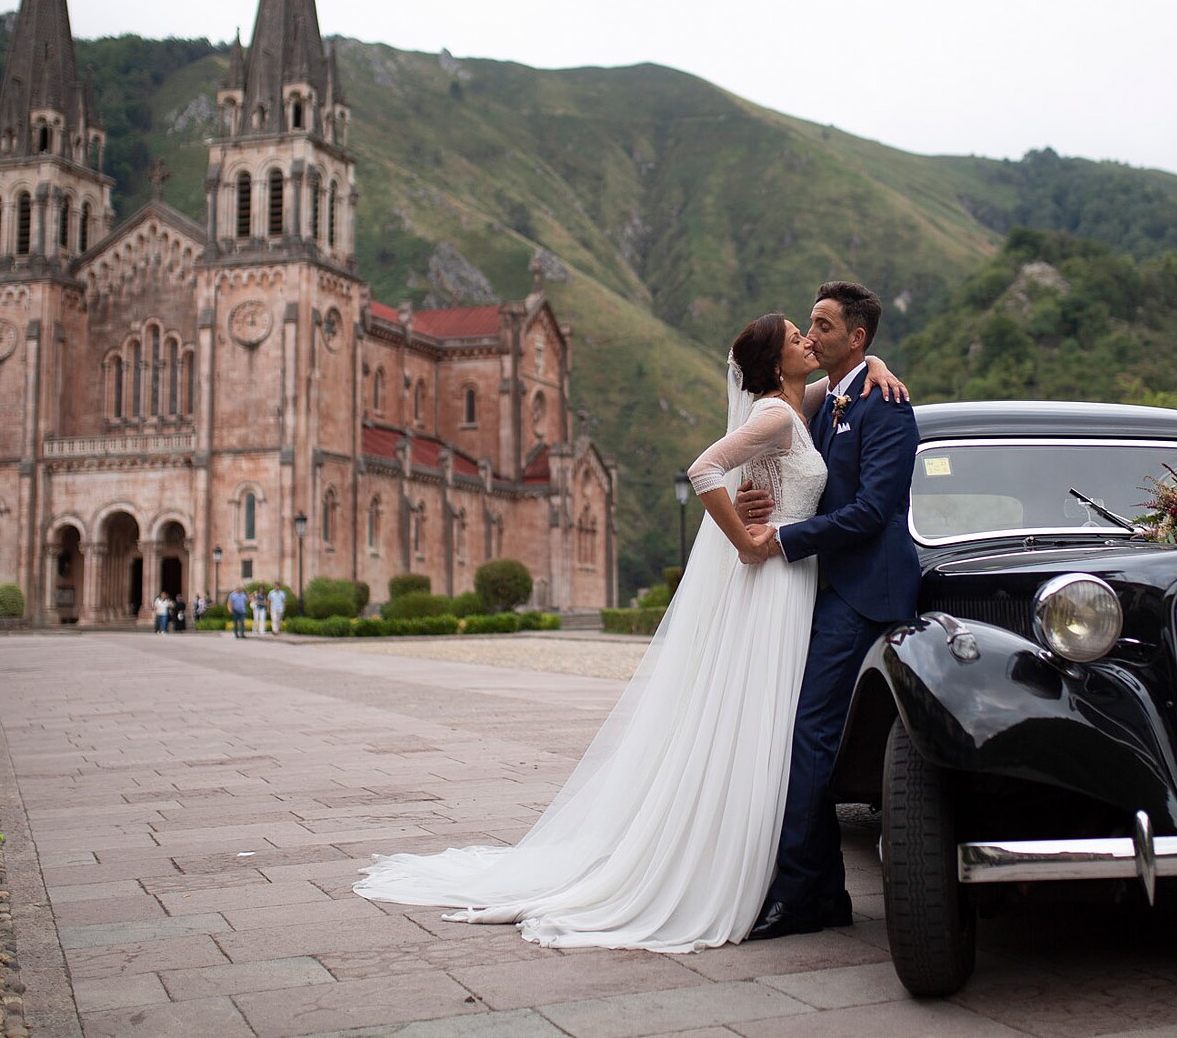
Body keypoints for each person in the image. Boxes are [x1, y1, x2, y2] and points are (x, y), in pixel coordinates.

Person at [353, 313, 834, 951]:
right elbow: (702, 471)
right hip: (774, 576)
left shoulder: (800, 405)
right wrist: (744, 540)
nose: (808, 339)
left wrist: (875, 365)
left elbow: (846, 380)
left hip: (791, 580)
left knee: (759, 718)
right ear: (775, 364)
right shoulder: (775, 415)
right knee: (758, 717)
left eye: (811, 331)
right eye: (797, 335)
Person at [738, 281, 921, 940]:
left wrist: (782, 539)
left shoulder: (888, 408)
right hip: (824, 587)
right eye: (807, 325)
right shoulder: (830, 397)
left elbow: (874, 512)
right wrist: (751, 504)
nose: (810, 335)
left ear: (857, 337)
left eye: (822, 325)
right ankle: (822, 891)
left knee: (809, 734)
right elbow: (771, 440)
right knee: (801, 733)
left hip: (866, 592)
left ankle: (802, 893)